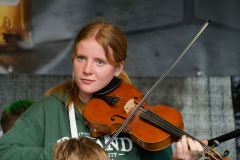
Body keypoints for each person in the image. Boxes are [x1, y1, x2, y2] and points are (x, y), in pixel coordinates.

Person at [0, 20, 204, 160]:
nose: (87, 70)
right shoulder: (49, 109)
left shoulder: (138, 118)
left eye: (100, 62)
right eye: (81, 58)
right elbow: (5, 153)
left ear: (118, 68)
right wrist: (62, 154)